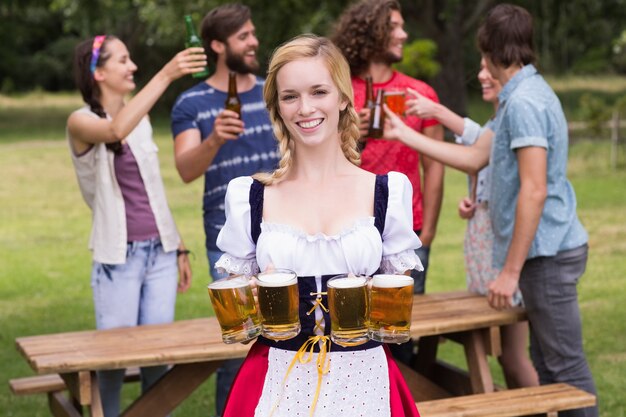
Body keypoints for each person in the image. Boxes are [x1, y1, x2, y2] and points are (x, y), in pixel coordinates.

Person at [384, 4, 598, 416]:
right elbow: (473, 157)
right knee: (549, 363)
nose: (480, 64)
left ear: (491, 52)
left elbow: (533, 190)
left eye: (482, 55)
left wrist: (510, 272)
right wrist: (403, 134)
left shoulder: (524, 104)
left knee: (565, 365)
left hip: (548, 255)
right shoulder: (515, 99)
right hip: (543, 254)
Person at [214, 34, 423, 417]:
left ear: (343, 98)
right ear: (277, 106)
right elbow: (238, 320)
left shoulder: (387, 192)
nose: (305, 108)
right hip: (278, 378)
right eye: (290, 96)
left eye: (318, 92)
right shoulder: (250, 197)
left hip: (364, 380)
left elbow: (395, 313)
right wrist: (255, 299)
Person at [67, 35, 200, 417]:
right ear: (99, 72)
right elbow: (113, 131)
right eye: (124, 60)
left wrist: (176, 245)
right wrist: (168, 72)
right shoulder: (80, 121)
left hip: (158, 253)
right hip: (118, 258)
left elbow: (152, 191)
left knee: (157, 361)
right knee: (112, 361)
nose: (133, 67)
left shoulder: (137, 122)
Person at [170, 4, 279, 415]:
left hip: (285, 231)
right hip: (227, 239)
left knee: (287, 337)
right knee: (240, 343)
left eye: (253, 34)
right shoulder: (192, 103)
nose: (254, 42)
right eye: (243, 37)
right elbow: (185, 170)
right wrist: (213, 139)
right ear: (218, 45)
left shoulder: (274, 90)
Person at [408, 58, 539, 389]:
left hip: (504, 254)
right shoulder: (500, 119)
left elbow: (477, 142)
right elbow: (480, 146)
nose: (481, 74)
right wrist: (476, 203)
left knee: (514, 355)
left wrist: (434, 113)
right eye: (478, 66)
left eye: (488, 66)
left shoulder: (513, 119)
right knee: (504, 354)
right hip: (486, 252)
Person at [332, 0, 445, 296]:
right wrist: (352, 135)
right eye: (393, 26)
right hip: (347, 227)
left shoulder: (421, 94)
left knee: (404, 326)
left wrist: (429, 230)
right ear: (369, 32)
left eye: (403, 26)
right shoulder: (337, 92)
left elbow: (434, 165)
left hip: (410, 229)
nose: (404, 34)